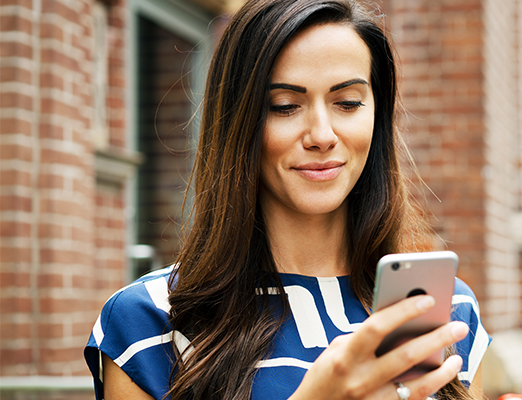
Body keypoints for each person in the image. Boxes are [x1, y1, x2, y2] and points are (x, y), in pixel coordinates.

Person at [82, 0, 489, 398]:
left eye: (348, 103)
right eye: (285, 106)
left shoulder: (443, 308)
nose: (322, 135)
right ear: (238, 124)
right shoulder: (148, 320)